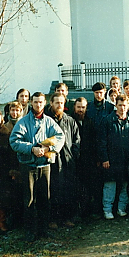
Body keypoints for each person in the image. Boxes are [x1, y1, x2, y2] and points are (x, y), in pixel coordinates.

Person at [9, 92, 65, 242]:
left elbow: (60, 137)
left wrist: (48, 149)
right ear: (31, 103)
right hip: (28, 166)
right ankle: (30, 231)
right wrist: (31, 148)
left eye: (40, 102)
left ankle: (43, 230)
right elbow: (14, 141)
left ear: (44, 103)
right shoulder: (22, 122)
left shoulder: (49, 121)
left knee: (44, 198)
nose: (38, 105)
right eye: (35, 102)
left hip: (44, 165)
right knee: (29, 199)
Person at [98, 95, 129, 219]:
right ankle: (107, 209)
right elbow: (101, 142)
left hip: (126, 160)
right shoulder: (107, 121)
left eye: (124, 105)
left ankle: (121, 208)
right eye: (120, 105)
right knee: (109, 186)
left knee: (125, 186)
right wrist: (104, 158)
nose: (122, 108)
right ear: (116, 105)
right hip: (111, 160)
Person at [44, 93, 81, 227]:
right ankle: (53, 219)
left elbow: (77, 140)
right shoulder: (46, 120)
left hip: (68, 161)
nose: (59, 105)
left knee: (68, 190)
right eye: (57, 103)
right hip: (52, 161)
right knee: (53, 190)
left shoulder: (69, 120)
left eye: (61, 103)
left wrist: (73, 154)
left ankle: (67, 218)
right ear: (51, 104)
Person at [71, 97, 100, 218]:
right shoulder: (71, 121)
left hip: (89, 160)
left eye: (83, 107)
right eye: (78, 107)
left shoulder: (90, 121)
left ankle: (88, 211)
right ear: (74, 108)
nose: (80, 110)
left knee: (90, 186)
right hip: (74, 160)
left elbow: (95, 141)